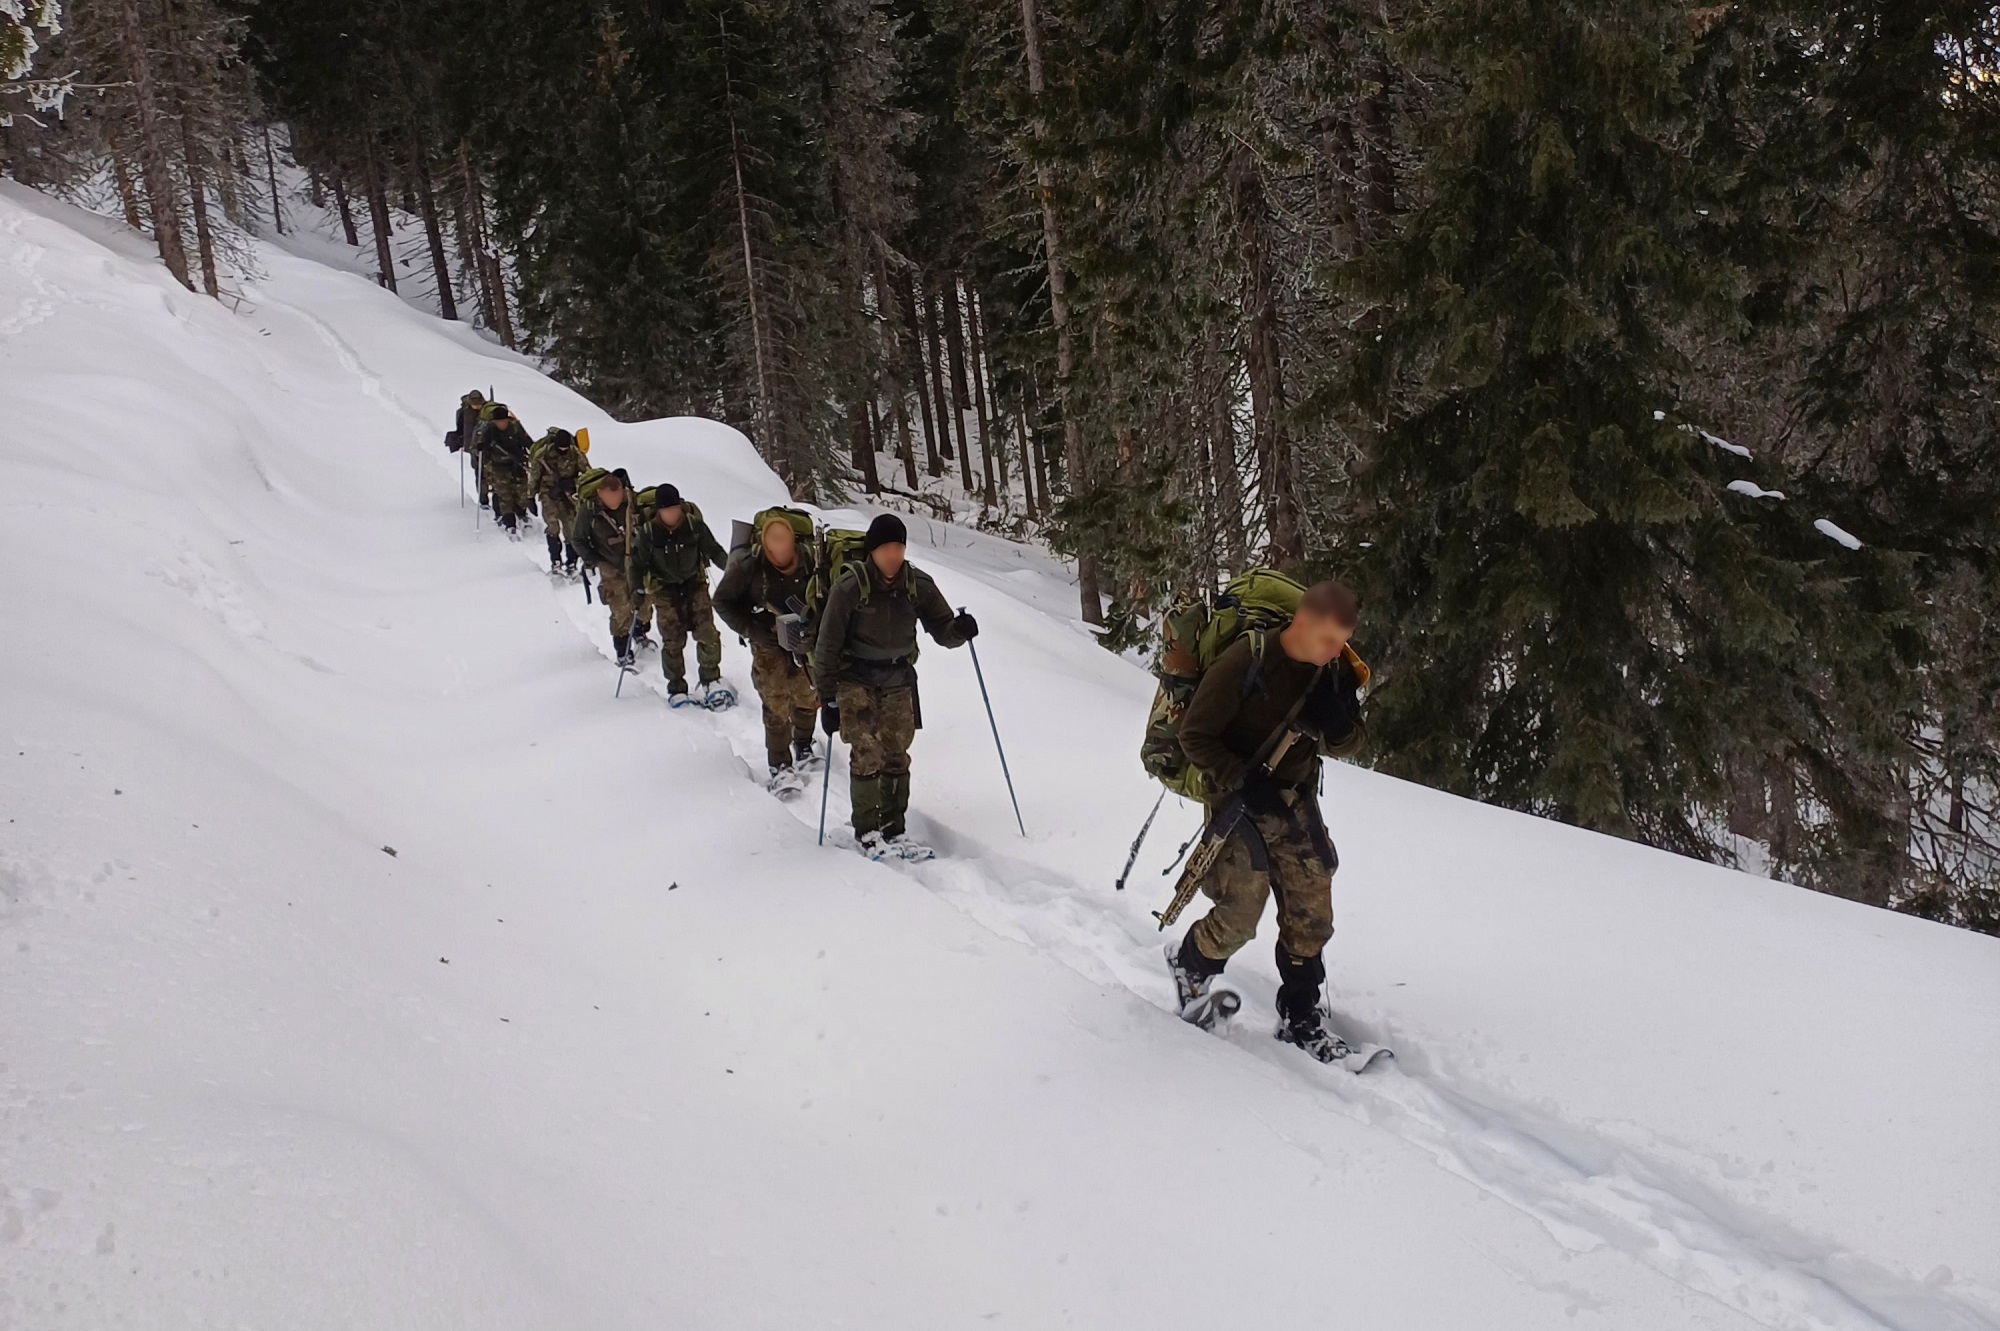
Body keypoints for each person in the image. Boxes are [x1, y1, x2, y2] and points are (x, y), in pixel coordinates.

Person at [1166, 578, 1366, 1063]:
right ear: (1300, 623)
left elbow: (1350, 743)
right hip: (1238, 794)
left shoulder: (1332, 668)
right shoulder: (1248, 659)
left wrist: (1339, 720)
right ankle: (1191, 965)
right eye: (1325, 640)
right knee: (1240, 913)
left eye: (1340, 642)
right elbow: (1195, 735)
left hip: (1294, 796)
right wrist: (1239, 780)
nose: (1334, 651)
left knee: (1312, 906)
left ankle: (1300, 1016)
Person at [810, 513, 976, 859]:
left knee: (896, 755)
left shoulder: (917, 584)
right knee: (867, 753)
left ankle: (894, 830)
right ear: (872, 550)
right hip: (855, 677)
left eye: (898, 547)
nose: (892, 555)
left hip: (899, 679)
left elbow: (943, 630)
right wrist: (827, 699)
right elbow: (826, 646)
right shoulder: (849, 587)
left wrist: (960, 631)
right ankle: (867, 832)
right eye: (885, 547)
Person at [714, 511, 819, 790]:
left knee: (808, 695)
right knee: (775, 704)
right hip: (767, 642)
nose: (781, 550)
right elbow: (722, 601)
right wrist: (751, 628)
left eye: (785, 543)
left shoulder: (810, 560)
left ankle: (804, 745)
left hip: (803, 639)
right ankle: (780, 765)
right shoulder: (750, 566)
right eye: (774, 544)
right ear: (765, 544)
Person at [630, 483, 730, 707]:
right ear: (658, 511)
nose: (672, 514)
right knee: (673, 641)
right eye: (667, 510)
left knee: (707, 634)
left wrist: (732, 569)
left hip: (695, 584)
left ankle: (711, 680)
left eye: (675, 508)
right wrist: (636, 589)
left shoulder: (694, 526)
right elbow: (637, 565)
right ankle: (676, 688)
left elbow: (713, 550)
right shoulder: (648, 533)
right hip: (664, 590)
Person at [570, 467, 638, 666]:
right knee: (620, 608)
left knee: (643, 600)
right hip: (609, 563)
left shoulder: (631, 502)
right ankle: (623, 650)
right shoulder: (590, 509)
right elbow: (578, 539)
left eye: (617, 497)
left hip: (635, 560)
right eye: (610, 498)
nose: (614, 503)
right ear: (600, 494)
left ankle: (640, 632)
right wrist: (595, 560)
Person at [527, 427, 586, 574]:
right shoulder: (543, 455)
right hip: (548, 494)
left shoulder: (575, 454)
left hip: (569, 495)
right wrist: (530, 497)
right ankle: (556, 561)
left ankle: (571, 562)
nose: (564, 450)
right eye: (561, 448)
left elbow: (587, 475)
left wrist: (573, 483)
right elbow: (534, 477)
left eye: (566, 448)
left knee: (570, 529)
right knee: (552, 527)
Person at [473, 403, 533, 533]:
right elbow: (479, 449)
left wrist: (533, 454)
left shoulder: (515, 427)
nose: (502, 424)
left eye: (504, 421)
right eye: (499, 422)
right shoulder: (488, 430)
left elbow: (527, 441)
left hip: (517, 465)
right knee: (504, 496)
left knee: (521, 493)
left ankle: (522, 514)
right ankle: (509, 522)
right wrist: (481, 449)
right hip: (498, 467)